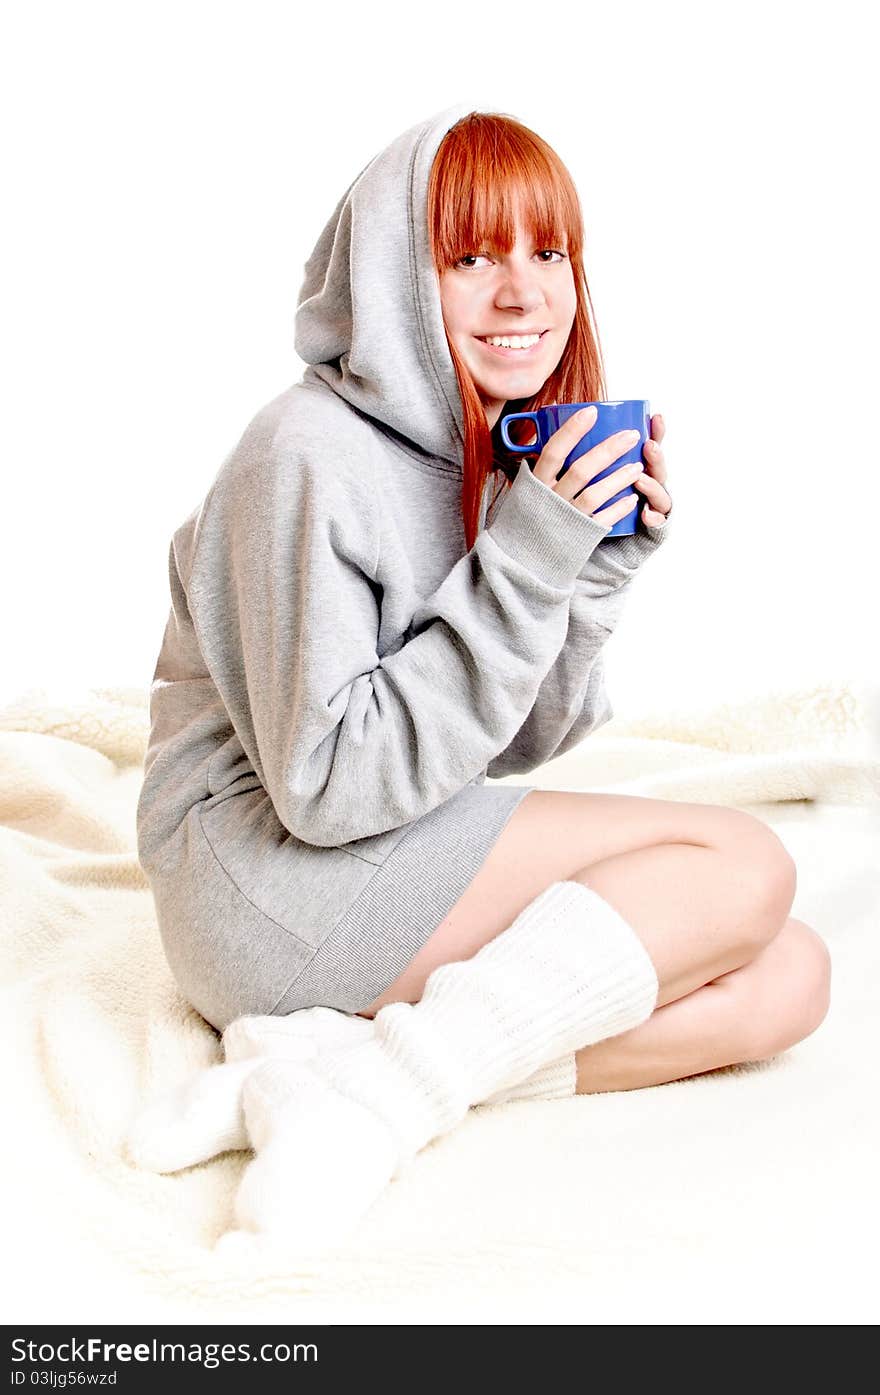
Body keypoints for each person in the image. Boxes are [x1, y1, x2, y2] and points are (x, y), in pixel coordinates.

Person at [131, 104, 830, 1253]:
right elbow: (328, 788)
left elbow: (497, 745)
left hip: (365, 853)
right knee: (744, 863)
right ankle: (381, 1107)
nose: (524, 294)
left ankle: (340, 1071)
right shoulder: (301, 457)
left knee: (785, 983)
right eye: (472, 258)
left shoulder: (484, 445)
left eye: (546, 253)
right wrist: (528, 553)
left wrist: (587, 577)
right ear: (396, 278)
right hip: (260, 880)